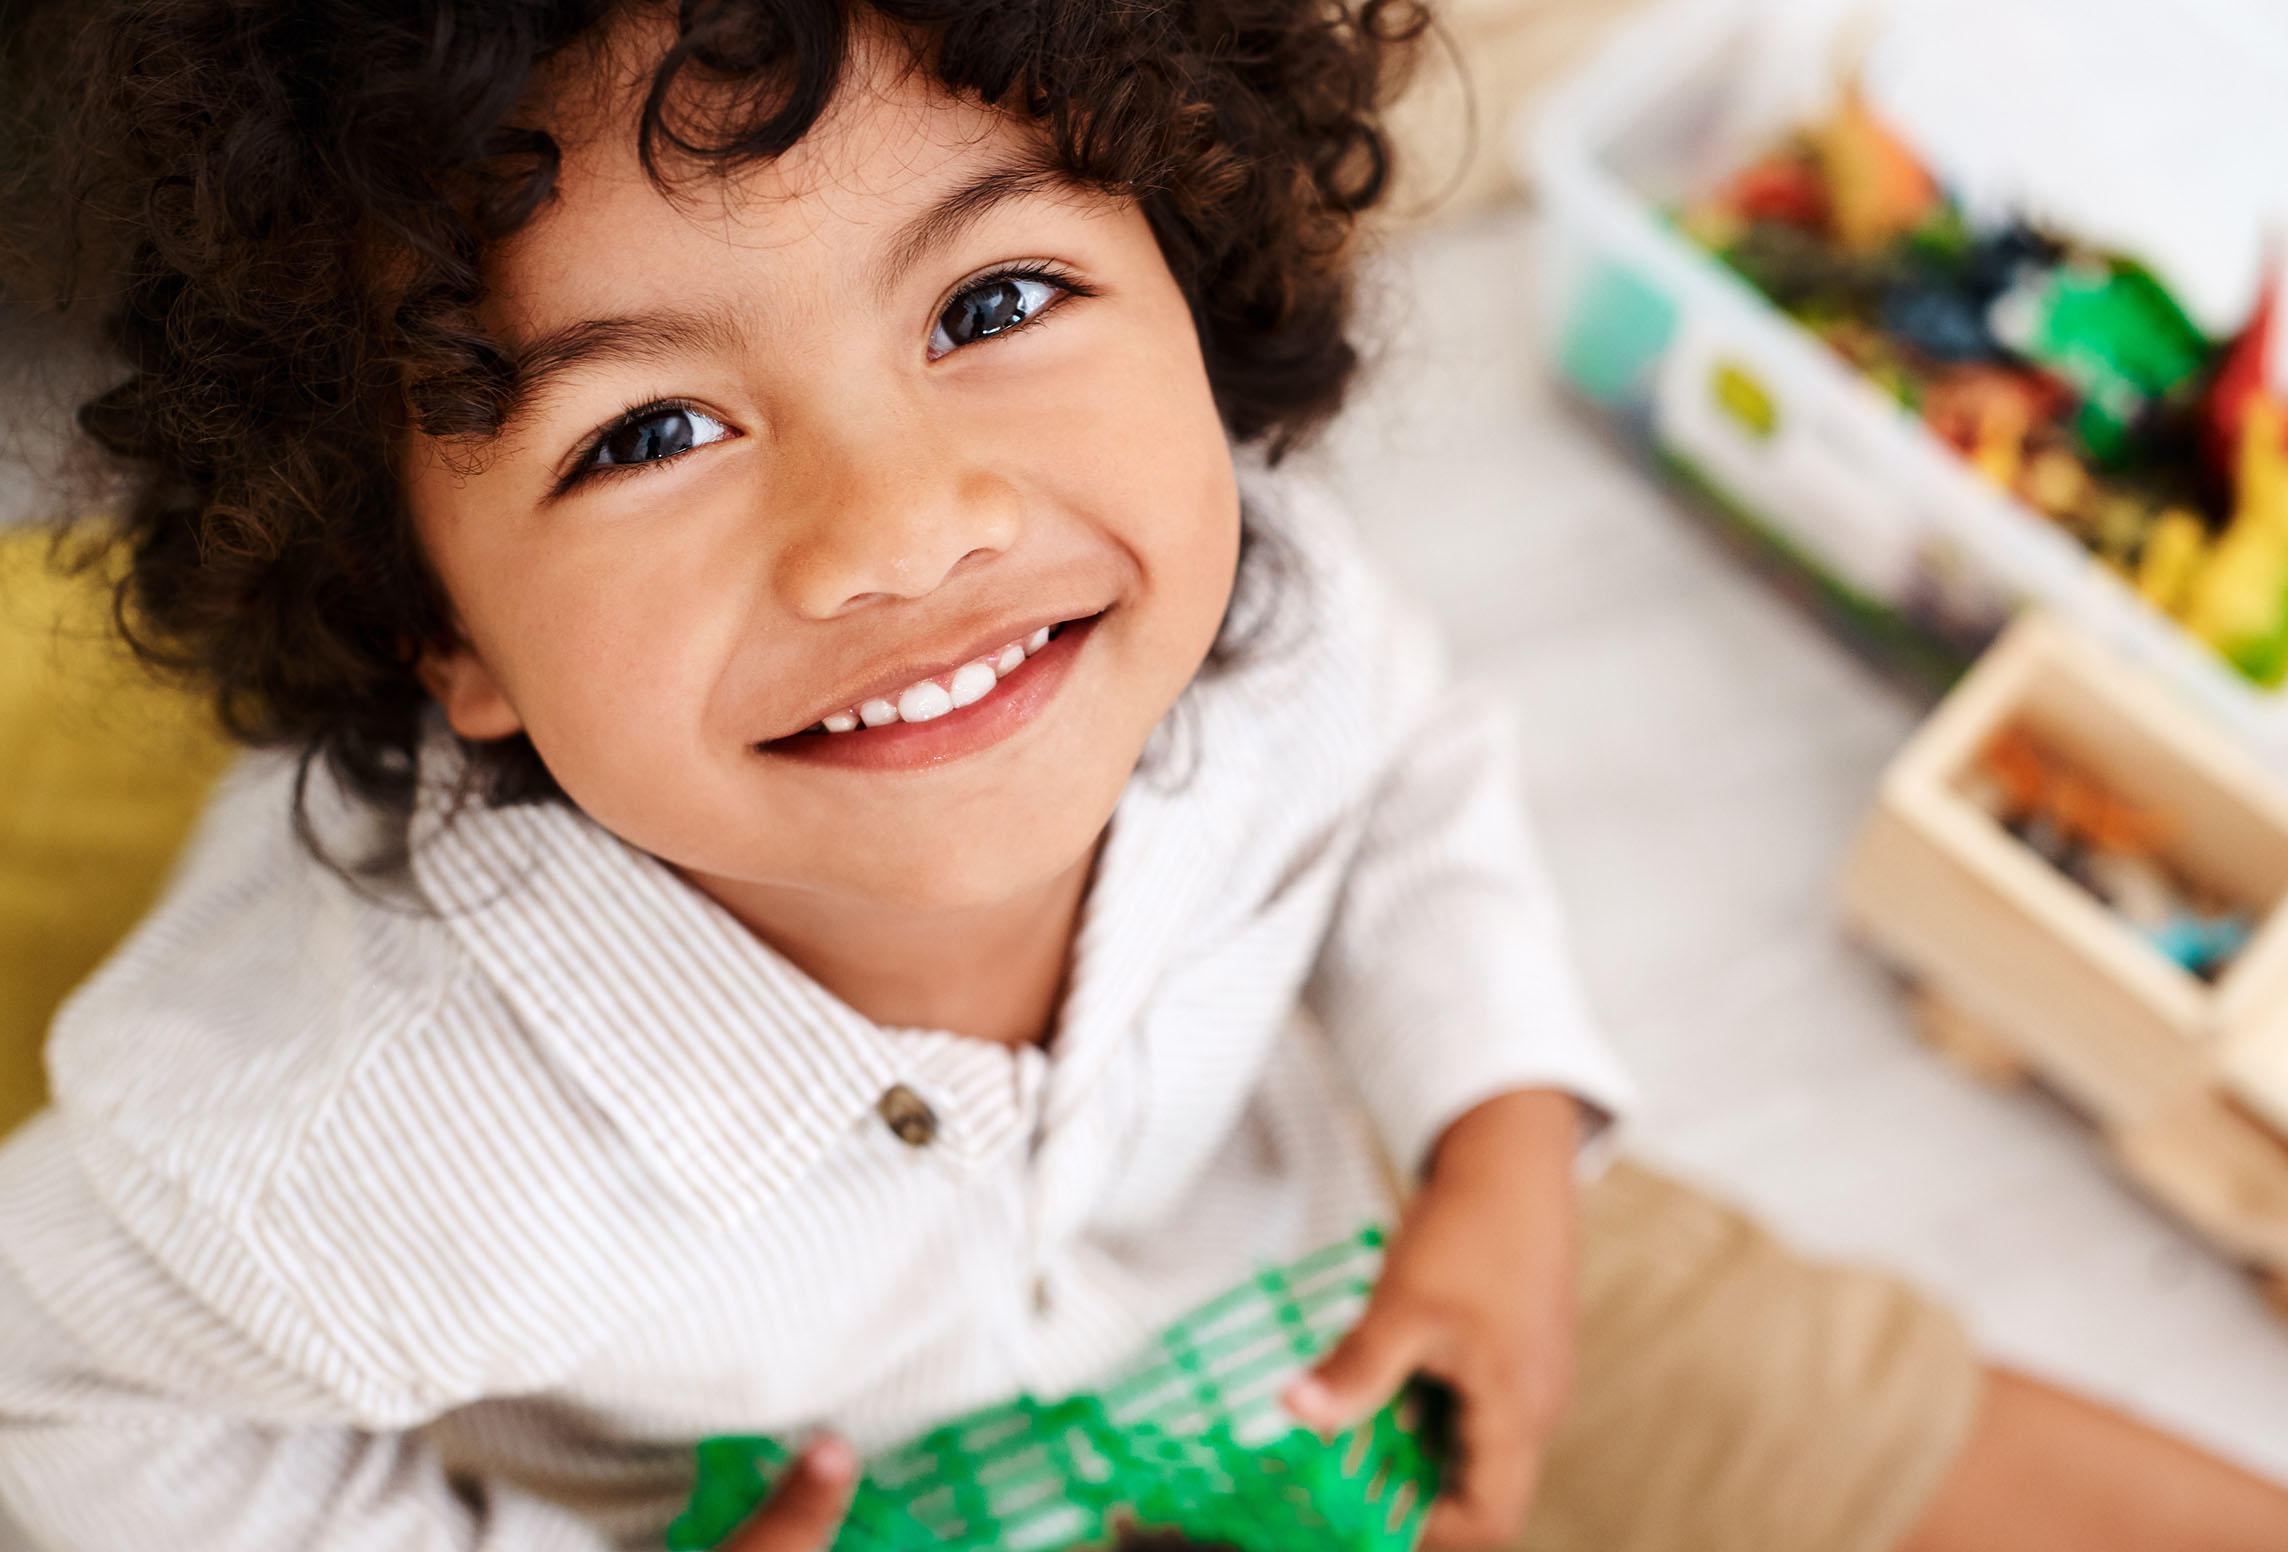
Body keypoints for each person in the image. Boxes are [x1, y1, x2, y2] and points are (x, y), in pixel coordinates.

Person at [1, 3, 2284, 1550]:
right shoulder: (351, 1151)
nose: (905, 527)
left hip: (1336, 1233)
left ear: (1195, 282)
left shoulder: (1263, 616)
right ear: (445, 638)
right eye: (651, 432)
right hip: (768, 1478)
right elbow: (65, 1402)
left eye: (990, 305)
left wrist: (1495, 1134)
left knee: (1827, 1405)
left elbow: (1406, 781)